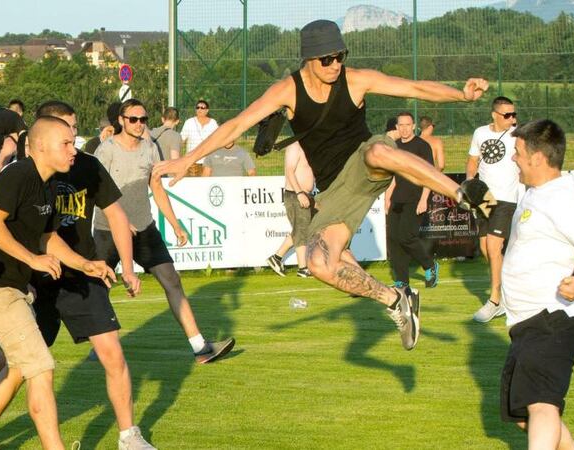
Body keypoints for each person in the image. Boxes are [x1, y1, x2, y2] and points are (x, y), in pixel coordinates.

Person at [155, 19, 494, 352]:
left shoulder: (355, 80)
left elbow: (415, 88)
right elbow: (236, 125)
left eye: (340, 56)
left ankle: (463, 193)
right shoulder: (288, 90)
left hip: (365, 161)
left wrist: (462, 95)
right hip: (335, 191)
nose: (335, 65)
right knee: (318, 263)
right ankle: (396, 300)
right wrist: (189, 159)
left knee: (378, 151)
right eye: (327, 59)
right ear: (309, 59)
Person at [0, 101, 154, 450]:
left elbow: (48, 237)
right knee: (38, 366)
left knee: (26, 366)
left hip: (14, 289)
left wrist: (84, 264)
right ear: (41, 145)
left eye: (74, 140)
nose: (73, 148)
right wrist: (32, 259)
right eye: (66, 142)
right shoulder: (17, 175)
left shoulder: (46, 183)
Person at [95, 98, 235, 363]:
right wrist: (120, 220)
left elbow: (157, 188)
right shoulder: (107, 150)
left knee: (172, 279)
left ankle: (200, 348)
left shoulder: (150, 148)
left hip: (144, 228)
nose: (139, 124)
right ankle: (100, 348)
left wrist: (175, 224)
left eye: (143, 119)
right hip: (108, 229)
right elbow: (97, 191)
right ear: (122, 121)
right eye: (133, 119)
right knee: (99, 288)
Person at [500, 119, 574, 449]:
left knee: (541, 405)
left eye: (518, 153)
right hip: (529, 323)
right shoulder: (536, 194)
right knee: (523, 414)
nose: (513, 158)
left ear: (537, 158)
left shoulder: (561, 198)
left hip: (553, 319)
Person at [467, 96, 520, 323]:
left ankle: (496, 300)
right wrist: (470, 181)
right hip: (484, 196)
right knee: (485, 248)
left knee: (493, 246)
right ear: (494, 115)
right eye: (507, 115)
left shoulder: (517, 135)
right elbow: (473, 160)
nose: (512, 119)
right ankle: (509, 289)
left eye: (514, 114)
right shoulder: (480, 133)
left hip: (506, 197)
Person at [384, 112, 438, 289]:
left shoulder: (422, 146)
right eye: (401, 125)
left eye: (408, 125)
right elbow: (394, 175)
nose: (404, 129)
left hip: (415, 198)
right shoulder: (395, 146)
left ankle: (429, 265)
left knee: (406, 237)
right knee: (394, 239)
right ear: (396, 127)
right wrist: (387, 198)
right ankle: (401, 280)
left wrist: (424, 199)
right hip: (397, 199)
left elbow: (429, 175)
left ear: (413, 126)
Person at [266, 141, 314, 278]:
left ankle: (276, 258)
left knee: (302, 229)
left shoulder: (308, 144)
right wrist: (299, 193)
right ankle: (302, 268)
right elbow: (289, 171)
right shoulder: (294, 146)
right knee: (301, 230)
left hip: (306, 195)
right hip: (296, 195)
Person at [180, 99, 218, 176]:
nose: (199, 109)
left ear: (207, 110)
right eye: (197, 107)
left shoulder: (213, 123)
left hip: (209, 161)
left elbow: (218, 139)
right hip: (193, 162)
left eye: (202, 108)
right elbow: (181, 140)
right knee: (194, 183)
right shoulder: (189, 122)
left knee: (208, 183)